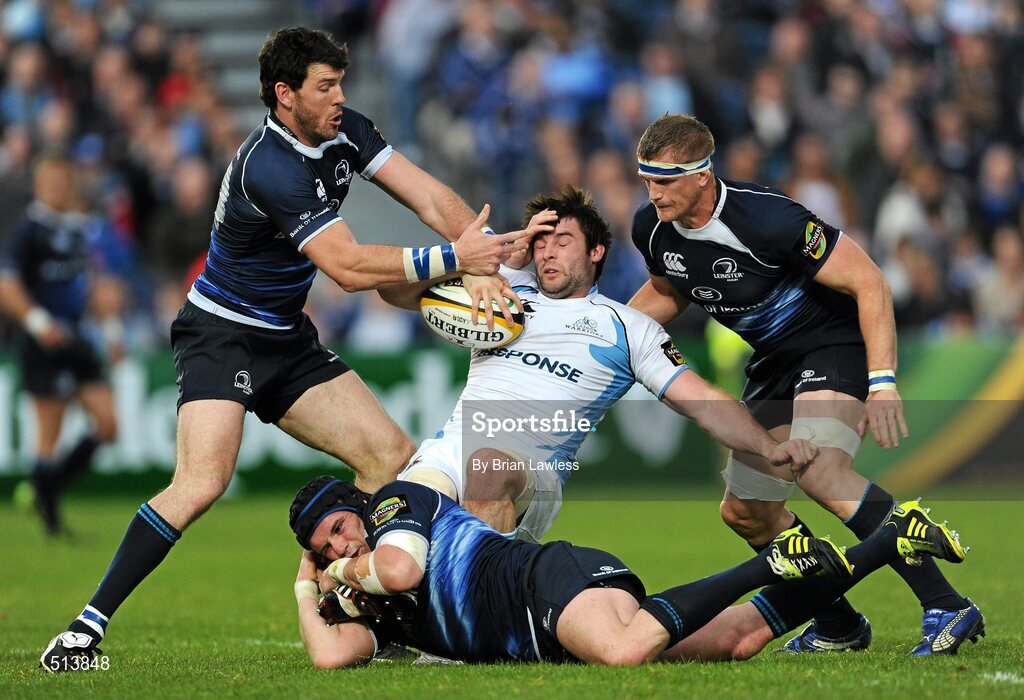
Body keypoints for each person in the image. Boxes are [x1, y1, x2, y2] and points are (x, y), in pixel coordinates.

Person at [38, 26, 536, 672]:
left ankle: (356, 607)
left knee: (389, 457)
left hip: (284, 337)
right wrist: (453, 257)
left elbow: (430, 195)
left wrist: (483, 257)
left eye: (341, 84)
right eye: (325, 86)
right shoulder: (269, 166)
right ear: (284, 94)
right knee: (200, 483)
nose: (339, 97)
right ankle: (82, 632)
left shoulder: (344, 130)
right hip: (221, 334)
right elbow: (349, 268)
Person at [627, 114, 982, 654]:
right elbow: (668, 289)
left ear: (703, 175)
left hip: (833, 346)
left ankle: (948, 605)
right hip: (773, 363)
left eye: (665, 180)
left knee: (819, 469)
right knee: (747, 511)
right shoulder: (651, 228)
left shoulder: (769, 217)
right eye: (646, 179)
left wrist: (883, 383)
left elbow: (869, 280)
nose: (653, 193)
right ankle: (837, 622)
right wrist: (608, 334)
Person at [379, 186, 813, 541]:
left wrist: (768, 446)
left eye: (563, 241)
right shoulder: (501, 286)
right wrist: (495, 255)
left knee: (488, 466)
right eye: (541, 242)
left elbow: (702, 401)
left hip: (530, 472)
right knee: (393, 542)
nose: (548, 252)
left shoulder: (627, 327)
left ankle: (474, 625)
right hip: (448, 453)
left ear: (596, 252)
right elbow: (391, 291)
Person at [287, 476, 968, 667]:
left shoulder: (394, 504)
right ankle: (890, 539)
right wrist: (304, 586)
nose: (341, 548)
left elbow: (401, 570)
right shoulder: (367, 601)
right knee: (739, 640)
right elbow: (329, 657)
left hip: (544, 583)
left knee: (623, 650)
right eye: (326, 548)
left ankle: (769, 560)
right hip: (552, 634)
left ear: (359, 511)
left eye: (341, 530)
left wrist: (346, 571)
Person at [0, 155, 118, 536]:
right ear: (38, 185)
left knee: (107, 424)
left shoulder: (78, 229)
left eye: (62, 181)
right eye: (49, 181)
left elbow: (95, 287)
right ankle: (52, 522)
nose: (56, 188)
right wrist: (38, 323)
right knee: (49, 431)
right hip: (43, 342)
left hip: (78, 339)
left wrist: (112, 330)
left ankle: (42, 490)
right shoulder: (29, 231)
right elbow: (6, 285)